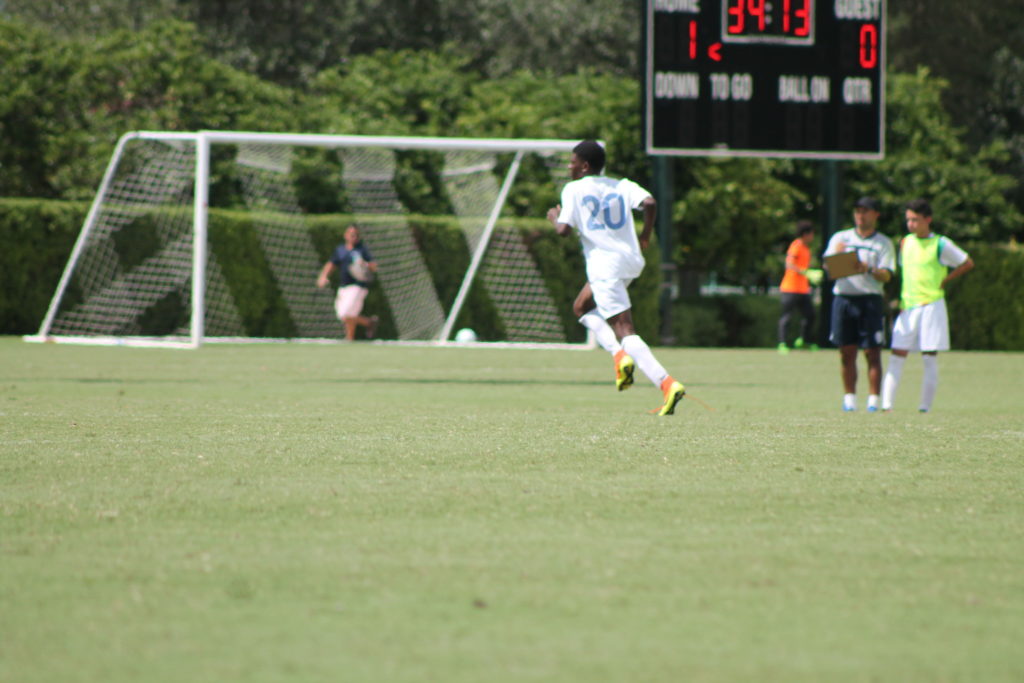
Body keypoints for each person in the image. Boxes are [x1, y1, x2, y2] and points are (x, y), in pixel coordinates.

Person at [546, 140, 686, 416]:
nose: (570, 166)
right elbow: (649, 202)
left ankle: (667, 383)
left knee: (625, 331)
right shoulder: (621, 184)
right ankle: (619, 357)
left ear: (584, 166)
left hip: (605, 266)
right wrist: (645, 234)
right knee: (582, 307)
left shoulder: (573, 189)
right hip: (630, 260)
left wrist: (554, 217)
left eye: (573, 162)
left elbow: (563, 231)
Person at [881, 199, 974, 412]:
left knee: (929, 356)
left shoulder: (940, 243)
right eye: (908, 220)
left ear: (928, 220)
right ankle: (887, 406)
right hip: (908, 306)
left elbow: (967, 262)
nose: (911, 224)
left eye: (915, 220)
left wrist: (946, 280)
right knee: (897, 354)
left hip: (931, 305)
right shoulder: (905, 242)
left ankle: (925, 407)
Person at [823, 197, 896, 412]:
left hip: (869, 300)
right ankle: (849, 399)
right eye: (857, 211)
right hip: (844, 299)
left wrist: (868, 269)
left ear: (875, 215)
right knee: (846, 351)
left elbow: (887, 275)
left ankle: (873, 400)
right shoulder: (841, 237)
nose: (860, 215)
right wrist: (838, 256)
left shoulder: (882, 242)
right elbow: (828, 267)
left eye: (865, 211)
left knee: (872, 352)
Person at [316, 224, 379, 341]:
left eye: (356, 235)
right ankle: (362, 328)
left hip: (358, 286)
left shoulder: (362, 249)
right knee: (345, 315)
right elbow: (331, 264)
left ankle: (357, 331)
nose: (353, 236)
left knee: (346, 312)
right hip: (344, 287)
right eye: (351, 234)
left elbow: (374, 266)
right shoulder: (340, 250)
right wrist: (323, 276)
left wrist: (364, 264)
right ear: (346, 235)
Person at [777, 220, 823, 354]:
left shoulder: (806, 249)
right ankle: (782, 343)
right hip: (790, 288)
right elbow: (789, 264)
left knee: (810, 315)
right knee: (786, 317)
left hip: (802, 289)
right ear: (805, 234)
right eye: (812, 233)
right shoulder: (796, 246)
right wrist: (806, 272)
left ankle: (804, 340)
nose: (813, 236)